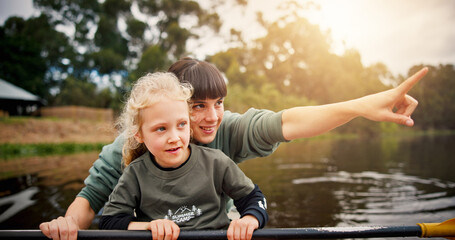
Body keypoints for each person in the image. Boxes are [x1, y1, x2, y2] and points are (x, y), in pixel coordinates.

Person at [40, 57, 429, 240]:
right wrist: (66, 227)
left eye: (219, 103)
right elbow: (91, 202)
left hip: (216, 231)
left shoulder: (228, 128)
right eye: (198, 106)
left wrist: (363, 107)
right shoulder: (129, 148)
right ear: (174, 103)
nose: (212, 118)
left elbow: (289, 121)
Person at [98, 72, 267, 240]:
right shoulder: (135, 174)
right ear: (139, 135)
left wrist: (249, 220)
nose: (174, 138)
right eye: (161, 129)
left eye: (181, 124)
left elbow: (254, 199)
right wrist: (148, 226)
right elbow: (110, 221)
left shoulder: (216, 162)